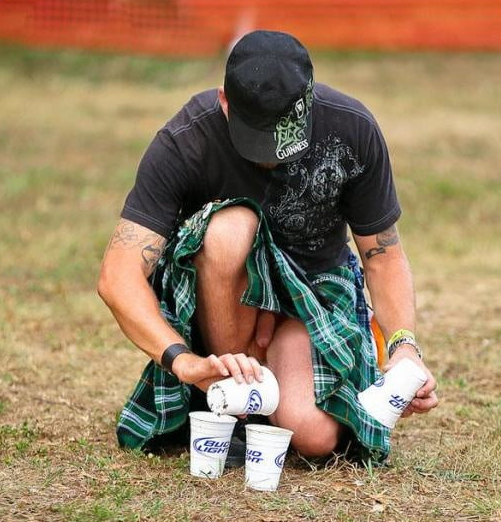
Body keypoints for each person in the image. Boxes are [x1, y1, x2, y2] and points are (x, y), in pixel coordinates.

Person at [98, 30, 438, 462]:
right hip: (224, 301)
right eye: (258, 138)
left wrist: (404, 347)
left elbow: (383, 256)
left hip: (311, 300)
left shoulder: (353, 128)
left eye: (286, 138)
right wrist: (184, 362)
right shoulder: (186, 140)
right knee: (230, 229)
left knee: (314, 437)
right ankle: (228, 400)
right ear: (225, 102)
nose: (273, 155)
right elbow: (118, 275)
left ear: (309, 100)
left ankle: (305, 383)